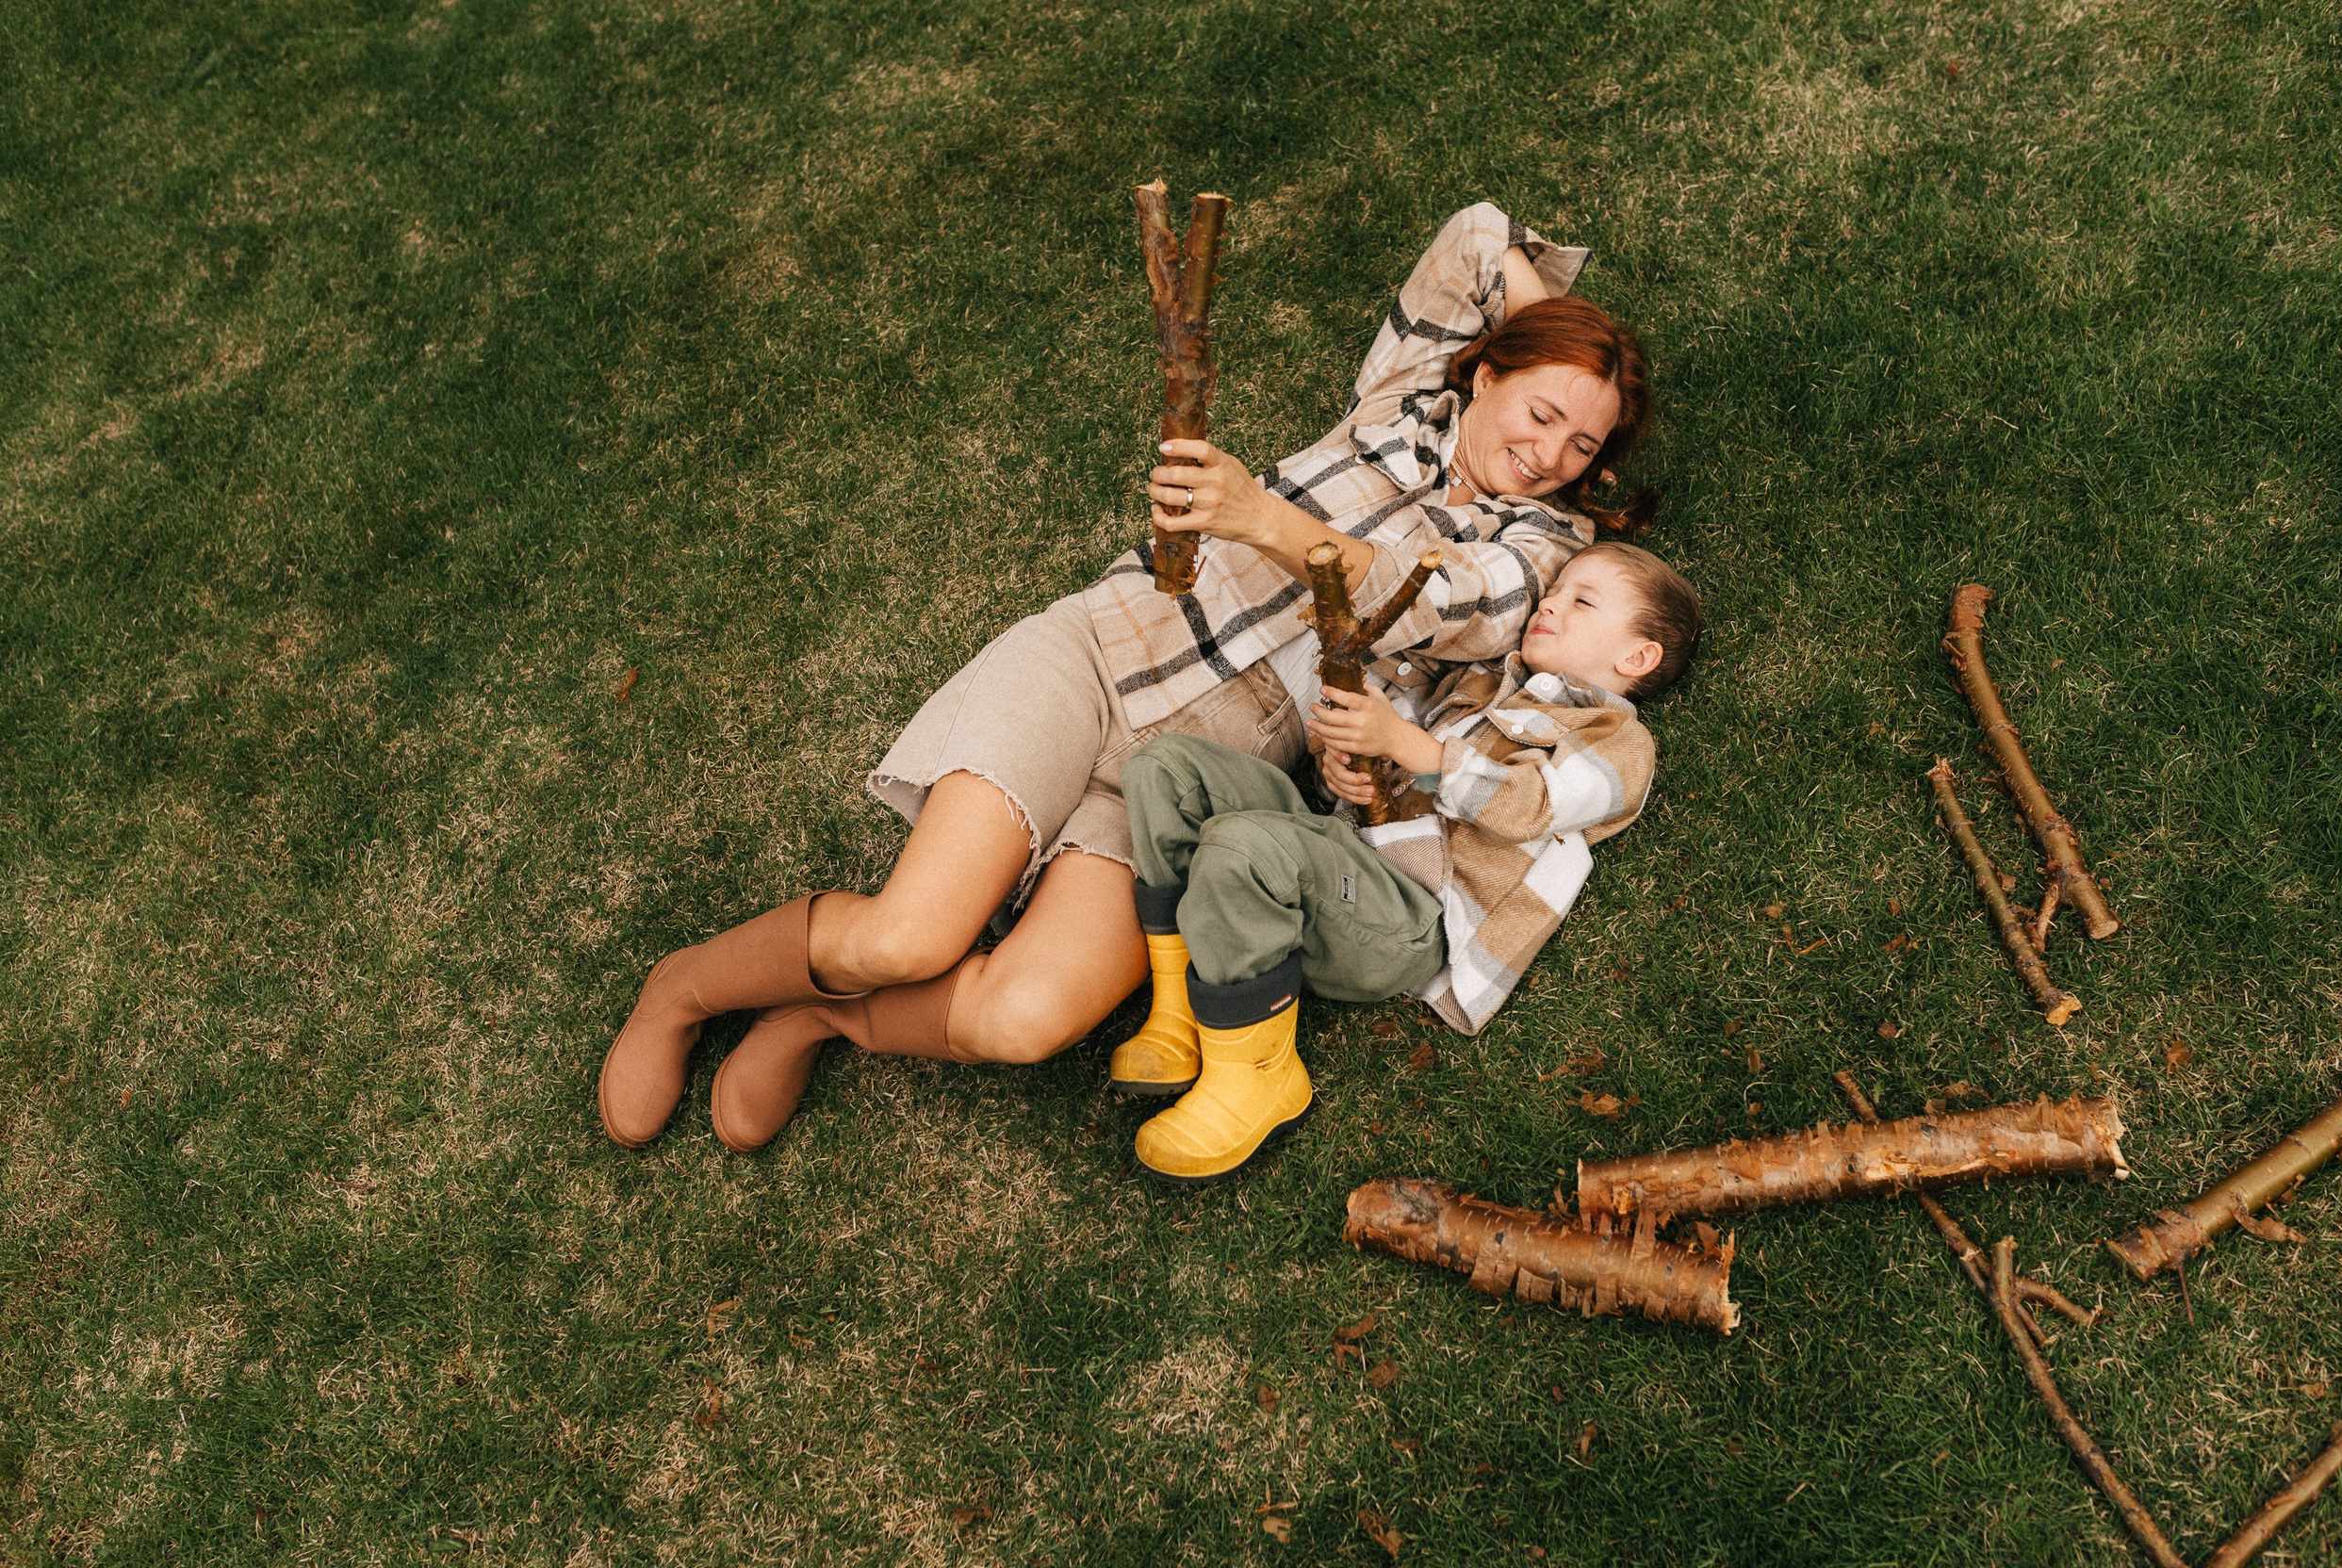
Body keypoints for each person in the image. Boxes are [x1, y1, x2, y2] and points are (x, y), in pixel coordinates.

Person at [598, 203, 1659, 1152]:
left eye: (1583, 441)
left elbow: (1422, 598)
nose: (1552, 450)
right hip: (1108, 654)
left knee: (1023, 1019)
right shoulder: (1399, 398)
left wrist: (1259, 516)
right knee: (911, 935)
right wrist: (1581, 347)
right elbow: (1477, 234)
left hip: (1186, 783)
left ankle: (817, 1016)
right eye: (1538, 410)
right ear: (1485, 371)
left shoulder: (1542, 554)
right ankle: (682, 989)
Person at [1109, 542, 1701, 1182]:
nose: (1550, 603)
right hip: (1344, 848)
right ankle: (1178, 1014)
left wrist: (1411, 746)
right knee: (1164, 768)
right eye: (1554, 590)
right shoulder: (1481, 682)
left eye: (1581, 601)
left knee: (1244, 848)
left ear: (1636, 656)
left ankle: (1258, 1079)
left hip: (1413, 917)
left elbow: (1529, 805)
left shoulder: (1618, 741)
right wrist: (1350, 769)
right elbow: (1386, 762)